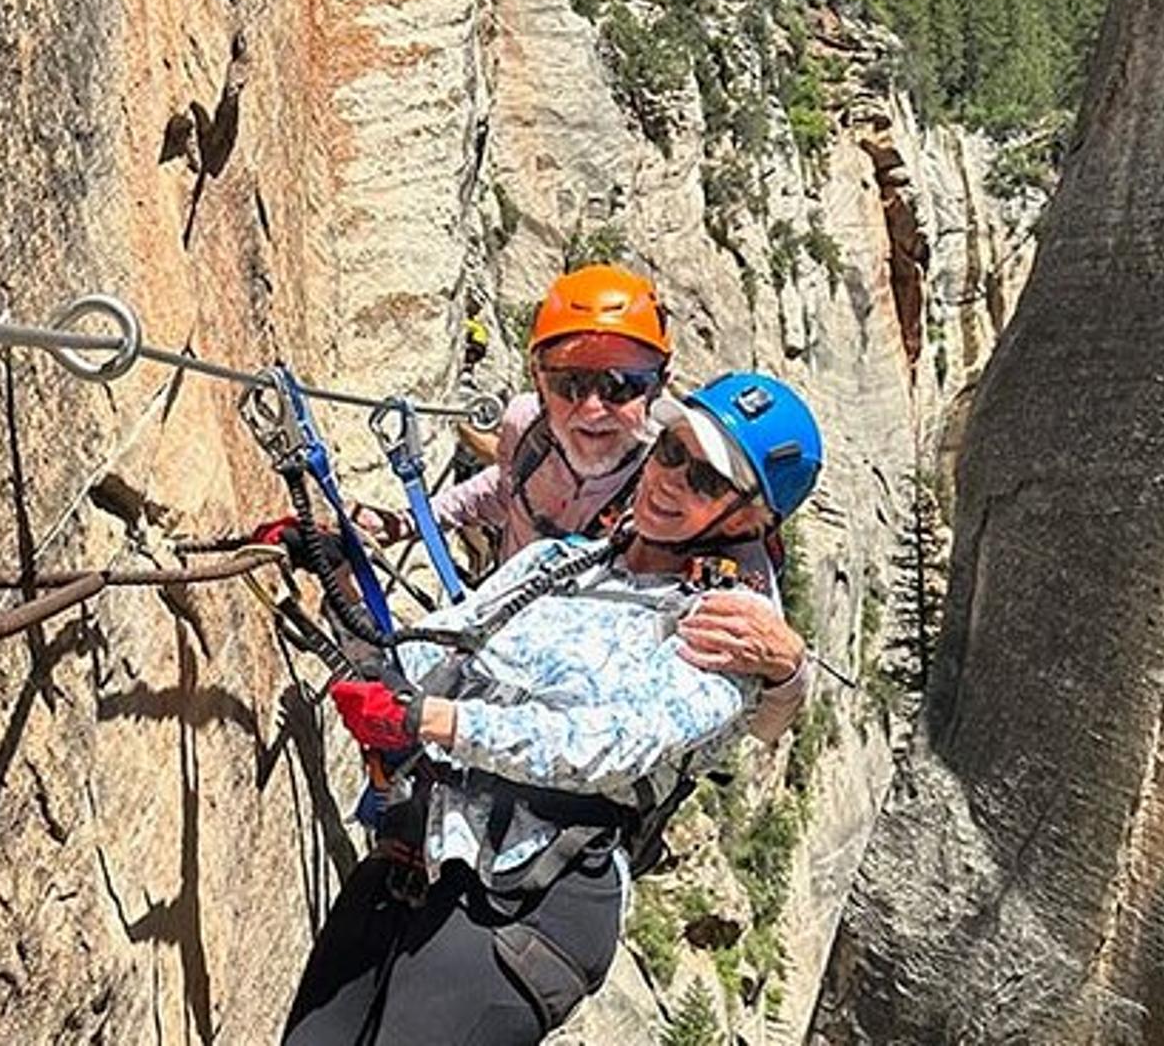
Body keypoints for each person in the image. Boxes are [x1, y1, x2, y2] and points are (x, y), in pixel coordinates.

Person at [282, 373, 825, 1046]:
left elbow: (605, 746)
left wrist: (438, 721)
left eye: (707, 480)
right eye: (671, 451)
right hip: (428, 845)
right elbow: (434, 649)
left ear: (751, 520)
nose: (671, 479)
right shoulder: (564, 560)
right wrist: (331, 570)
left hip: (534, 902)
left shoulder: (728, 628)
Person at [361, 264, 811, 741]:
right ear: (539, 379)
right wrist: (405, 523)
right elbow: (505, 490)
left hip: (564, 710)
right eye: (570, 383)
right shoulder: (527, 428)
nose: (593, 409)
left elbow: (759, 718)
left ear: (658, 385)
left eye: (621, 385)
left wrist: (789, 669)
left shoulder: (671, 484)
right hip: (499, 621)